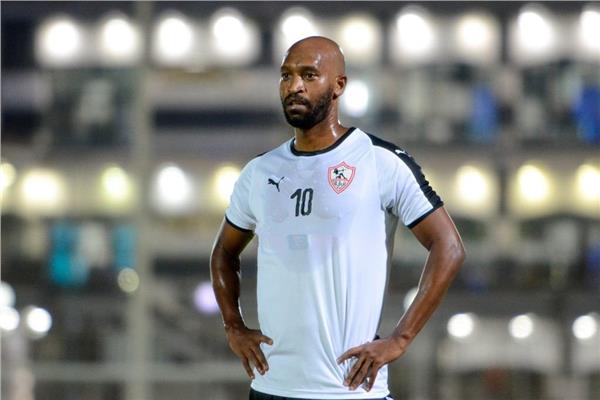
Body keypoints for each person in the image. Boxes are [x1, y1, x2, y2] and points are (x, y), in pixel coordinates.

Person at [210, 36, 465, 400]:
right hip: (272, 387)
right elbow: (223, 252)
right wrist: (232, 325)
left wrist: (400, 338)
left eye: (308, 75)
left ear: (339, 85)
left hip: (351, 390)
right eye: (286, 76)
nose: (294, 86)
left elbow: (449, 246)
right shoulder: (260, 172)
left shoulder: (379, 161)